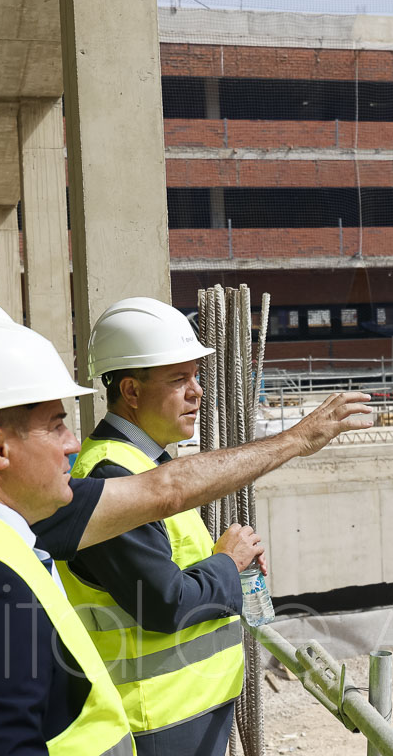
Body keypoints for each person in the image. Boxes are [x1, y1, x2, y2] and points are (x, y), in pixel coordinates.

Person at [0, 318, 372, 754]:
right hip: (164, 718)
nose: (72, 443)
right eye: (56, 425)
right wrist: (228, 563)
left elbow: (167, 490)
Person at [63, 297, 253, 756]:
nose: (197, 391)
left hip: (184, 711)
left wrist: (221, 562)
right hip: (155, 722)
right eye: (178, 379)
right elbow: (165, 604)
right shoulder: (113, 477)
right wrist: (227, 564)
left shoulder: (145, 466)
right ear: (130, 391)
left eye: (197, 376)